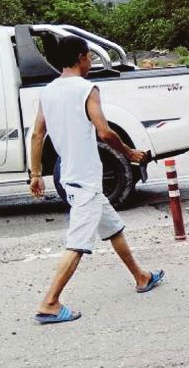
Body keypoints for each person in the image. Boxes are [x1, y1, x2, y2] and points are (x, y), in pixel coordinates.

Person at [28, 36, 164, 324]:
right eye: (89, 57)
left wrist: (36, 174)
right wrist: (129, 152)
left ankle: (141, 277)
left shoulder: (49, 92)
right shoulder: (87, 89)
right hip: (85, 181)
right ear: (80, 58)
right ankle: (50, 302)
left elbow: (37, 134)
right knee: (77, 244)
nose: (90, 62)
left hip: (71, 176)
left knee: (113, 229)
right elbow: (104, 132)